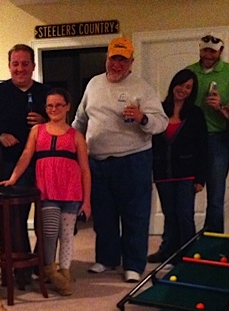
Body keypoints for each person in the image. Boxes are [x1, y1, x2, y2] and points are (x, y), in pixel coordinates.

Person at [72, 37, 168, 283]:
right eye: (113, 58)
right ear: (107, 58)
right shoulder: (94, 84)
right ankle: (107, 259)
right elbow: (80, 120)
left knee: (135, 214)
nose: (117, 64)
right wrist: (70, 143)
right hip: (97, 161)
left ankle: (133, 265)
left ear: (131, 62)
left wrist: (142, 118)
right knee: (103, 214)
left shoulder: (142, 87)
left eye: (123, 60)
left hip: (133, 159)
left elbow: (162, 122)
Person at [0, 88, 91, 295]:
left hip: (71, 191)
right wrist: (13, 178)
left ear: (67, 107)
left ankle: (64, 271)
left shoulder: (76, 136)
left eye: (59, 105)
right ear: (45, 108)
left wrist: (87, 201)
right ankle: (50, 269)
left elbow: (85, 169)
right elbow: (26, 156)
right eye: (50, 106)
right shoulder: (37, 131)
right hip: (47, 191)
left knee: (67, 234)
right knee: (48, 233)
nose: (54, 109)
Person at [0, 44, 50, 286]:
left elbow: (63, 122)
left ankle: (42, 263)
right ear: (9, 66)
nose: (20, 68)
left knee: (49, 215)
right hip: (11, 163)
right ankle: (21, 269)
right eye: (15, 64)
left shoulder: (46, 92)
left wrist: (44, 121)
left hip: (44, 163)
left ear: (33, 66)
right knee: (14, 217)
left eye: (25, 64)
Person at [148, 69, 208, 264]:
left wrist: (200, 178)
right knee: (170, 215)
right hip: (163, 172)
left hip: (187, 173)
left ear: (192, 91)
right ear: (174, 84)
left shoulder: (195, 114)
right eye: (181, 84)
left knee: (184, 215)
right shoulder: (159, 110)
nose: (183, 89)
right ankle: (167, 251)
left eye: (188, 87)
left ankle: (188, 255)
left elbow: (203, 147)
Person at [187, 34, 229, 233]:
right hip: (192, 139)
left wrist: (221, 107)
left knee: (216, 196)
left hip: (218, 138)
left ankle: (213, 240)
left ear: (220, 51)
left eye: (212, 51)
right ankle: (184, 239)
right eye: (205, 50)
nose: (208, 55)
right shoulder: (189, 72)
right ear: (199, 49)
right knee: (186, 193)